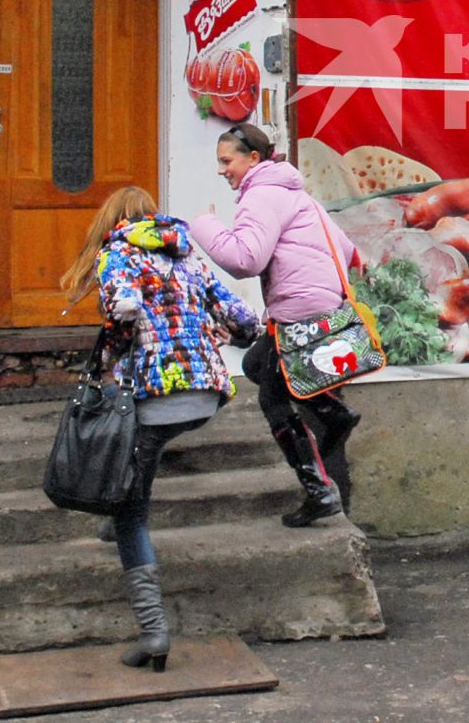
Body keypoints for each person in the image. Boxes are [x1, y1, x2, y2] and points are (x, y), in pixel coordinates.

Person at [61, 186, 260, 672]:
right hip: (205, 396)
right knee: (139, 459)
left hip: (155, 398)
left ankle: (153, 633)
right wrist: (206, 332)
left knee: (135, 511)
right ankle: (118, 506)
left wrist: (120, 333)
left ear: (111, 220)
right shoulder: (185, 253)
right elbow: (247, 323)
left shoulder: (118, 254)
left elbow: (123, 311)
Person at [191, 122, 361, 528]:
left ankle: (322, 493)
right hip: (324, 307)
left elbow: (245, 259)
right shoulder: (295, 194)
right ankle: (327, 416)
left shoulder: (262, 195)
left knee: (272, 399)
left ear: (253, 159)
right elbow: (350, 251)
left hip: (299, 311)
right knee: (256, 365)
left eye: (226, 161)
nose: (221, 170)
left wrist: (205, 227)